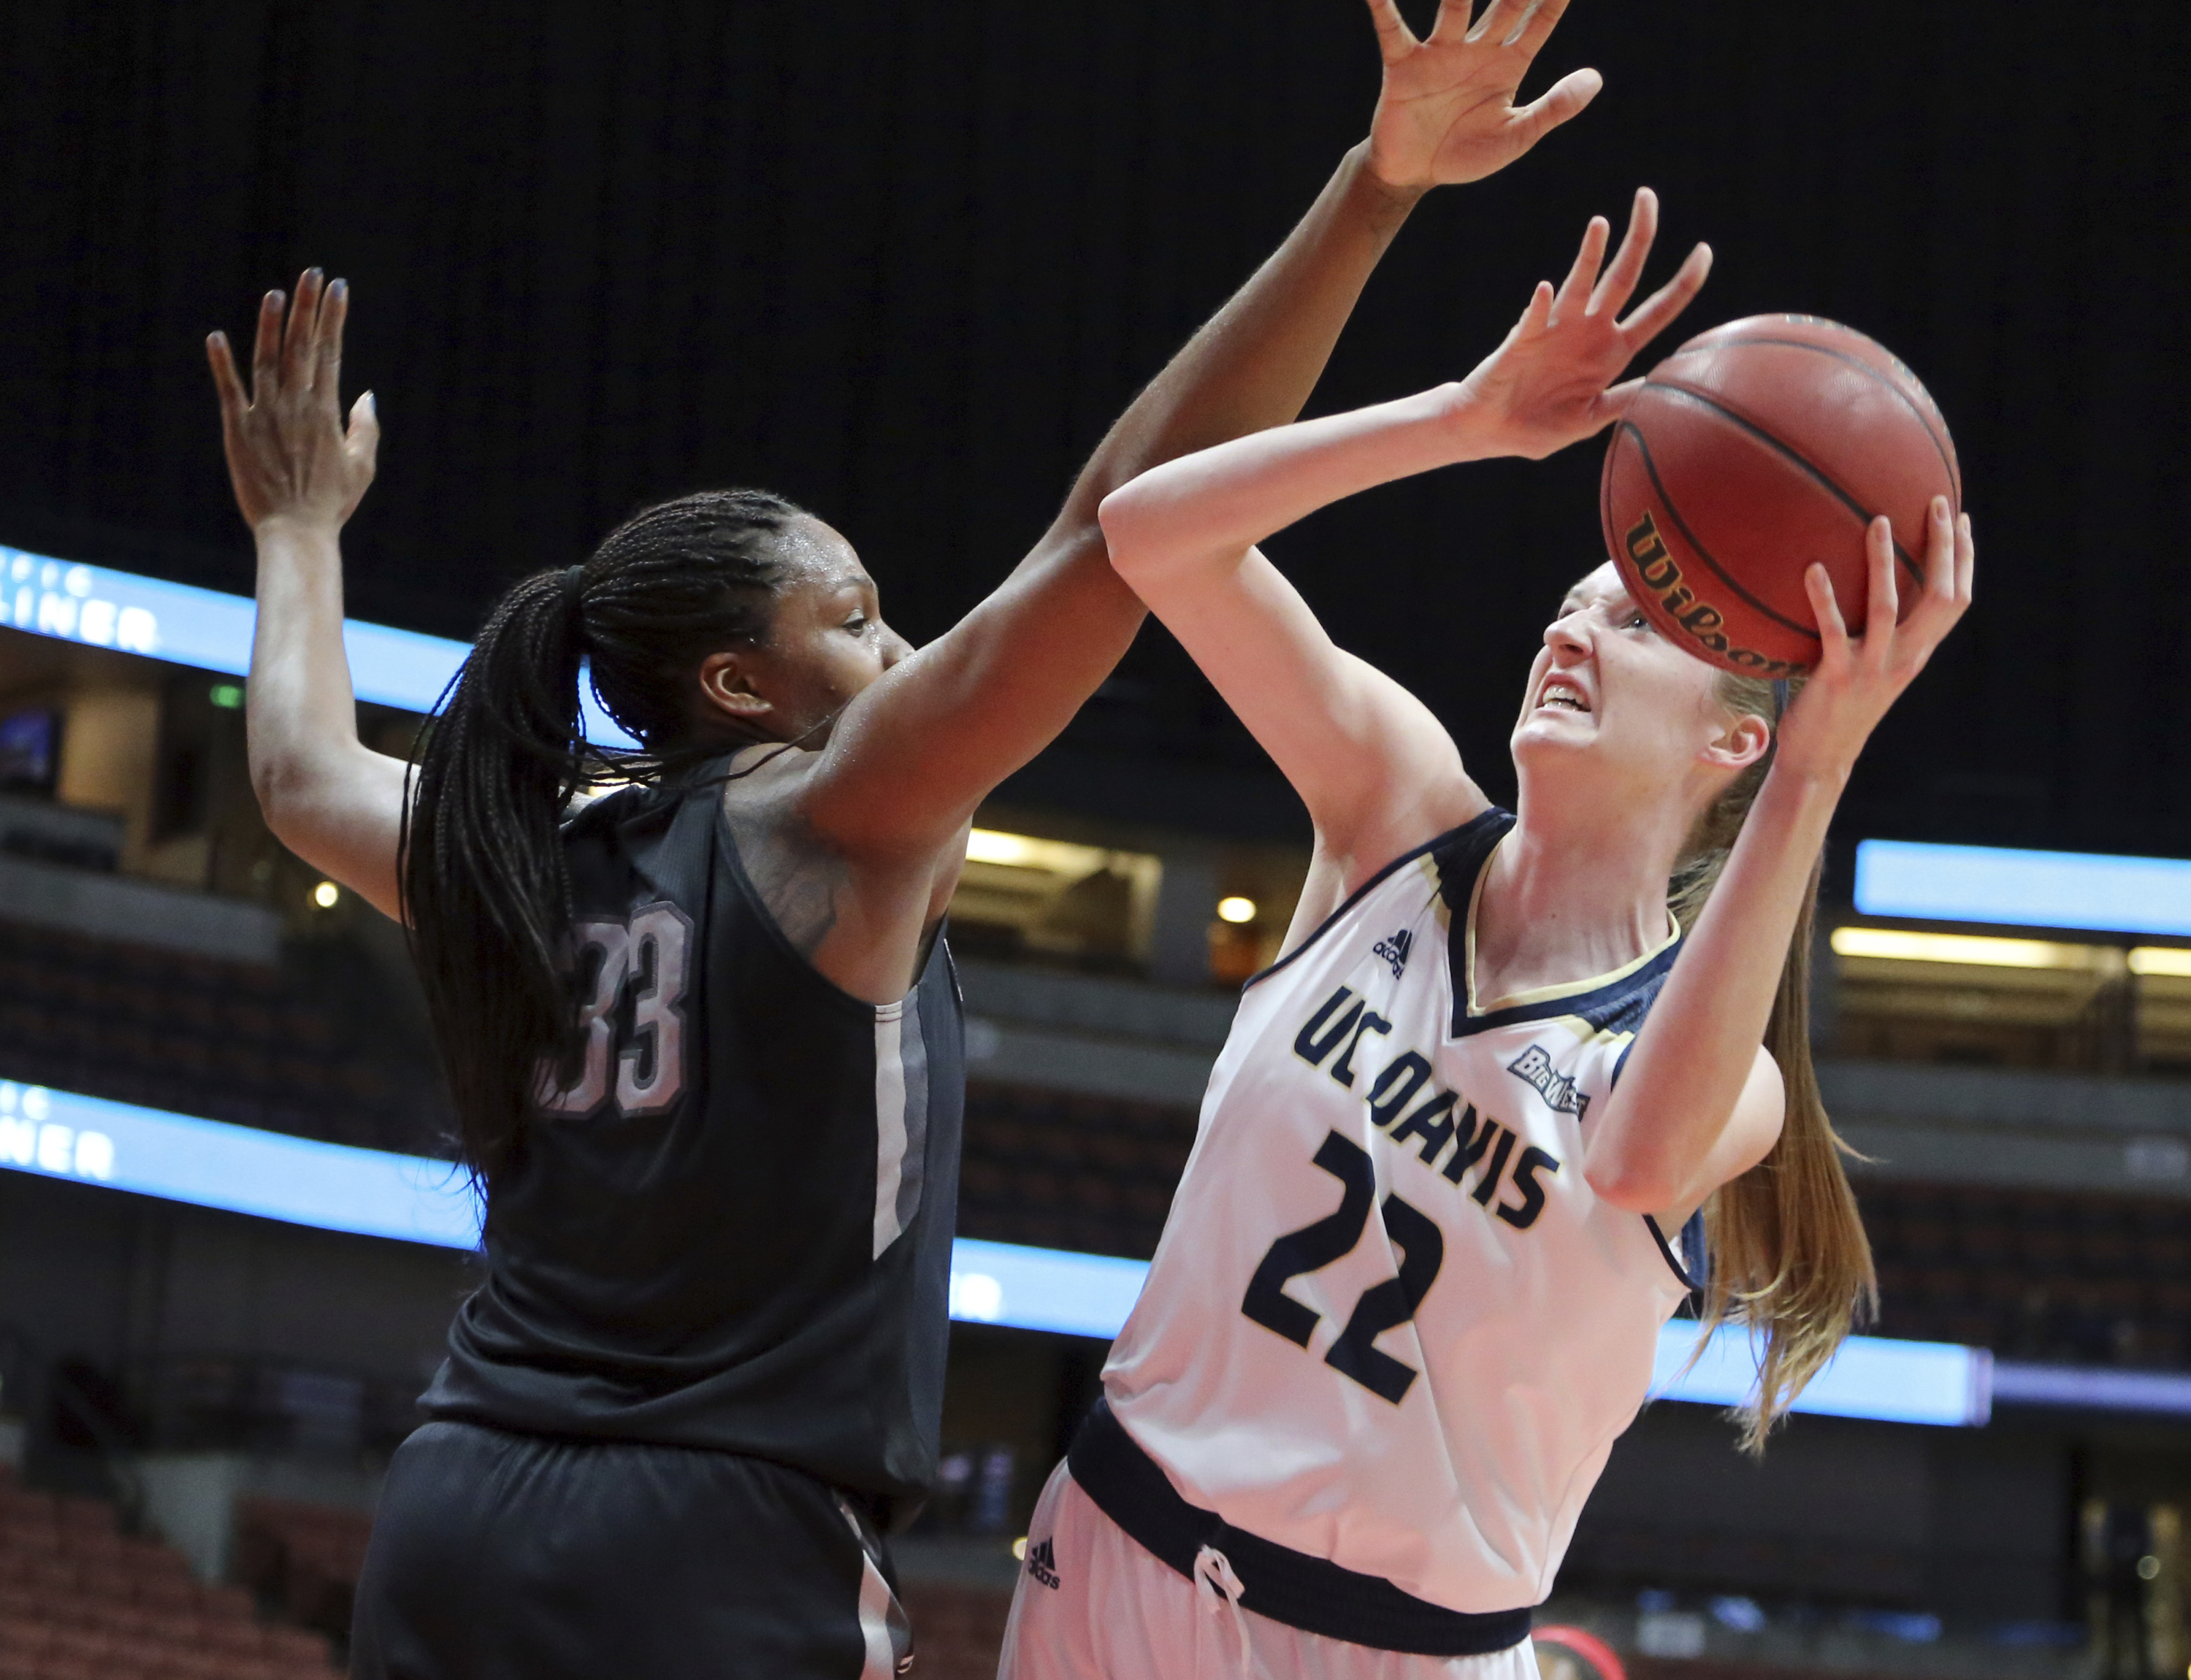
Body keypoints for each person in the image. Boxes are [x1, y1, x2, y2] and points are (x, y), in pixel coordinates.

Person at [203, 3, 1610, 1673]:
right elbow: (1121, 516)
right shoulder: (837, 817)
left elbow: (300, 772)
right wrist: (1374, 194)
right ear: (741, 684)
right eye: (857, 617)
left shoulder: (516, 848)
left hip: (453, 1508)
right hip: (711, 1548)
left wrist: (298, 529)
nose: (903, 644)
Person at [998, 191, 1974, 1676]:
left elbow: (1636, 1161)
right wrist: (1463, 418)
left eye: (1635, 624)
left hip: (1399, 1650)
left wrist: (1818, 765)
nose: (1571, 629)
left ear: (1734, 743)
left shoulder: (1722, 1077)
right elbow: (1149, 532)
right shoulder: (1395, 813)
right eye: (1570, 605)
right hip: (1115, 1564)